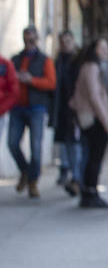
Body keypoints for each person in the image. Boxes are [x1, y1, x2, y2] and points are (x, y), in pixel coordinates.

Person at [67, 37, 108, 209]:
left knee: (91, 157)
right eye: (103, 48)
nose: (106, 51)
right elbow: (95, 97)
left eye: (107, 48)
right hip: (93, 119)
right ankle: (90, 192)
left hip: (93, 118)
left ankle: (89, 191)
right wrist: (107, 123)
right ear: (95, 50)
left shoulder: (92, 67)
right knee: (94, 158)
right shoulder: (92, 68)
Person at [8, 26, 58, 199]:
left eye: (32, 39)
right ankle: (25, 171)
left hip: (36, 108)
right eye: (26, 39)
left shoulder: (45, 60)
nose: (29, 42)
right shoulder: (15, 59)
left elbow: (51, 83)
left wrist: (32, 80)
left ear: (37, 39)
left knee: (36, 148)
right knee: (12, 143)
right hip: (17, 108)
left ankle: (33, 182)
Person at [52, 30, 82, 196]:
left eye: (68, 41)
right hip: (62, 107)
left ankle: (76, 177)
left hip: (75, 108)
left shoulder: (77, 61)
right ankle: (69, 172)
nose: (65, 44)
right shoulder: (57, 62)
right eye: (63, 41)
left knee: (75, 144)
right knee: (66, 142)